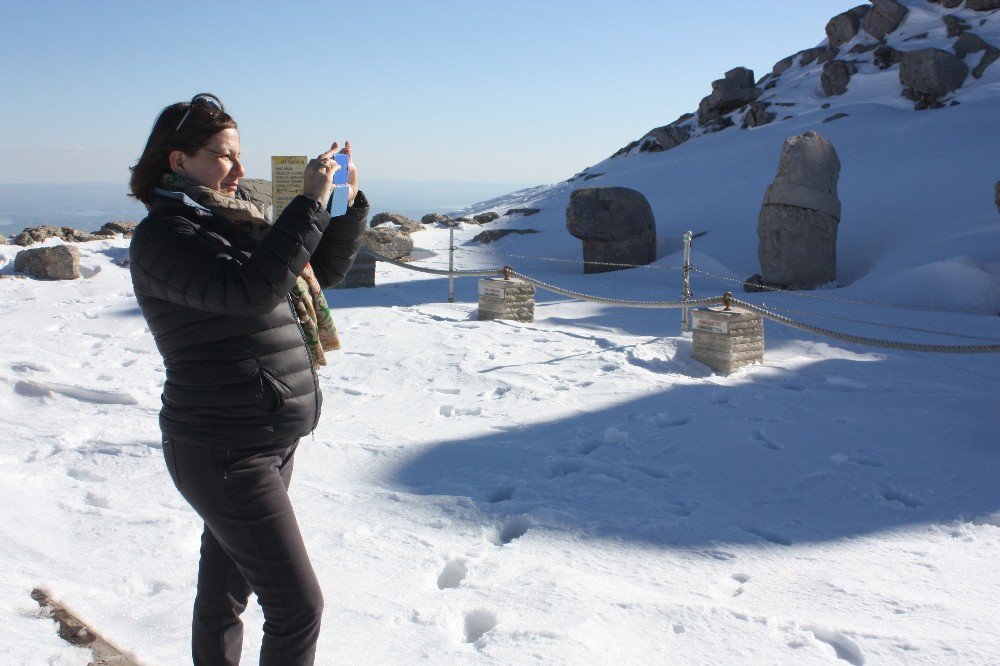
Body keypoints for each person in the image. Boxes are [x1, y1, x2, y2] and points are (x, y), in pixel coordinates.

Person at [128, 93, 369, 665]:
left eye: (239, 155)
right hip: (224, 450)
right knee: (298, 607)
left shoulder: (228, 220)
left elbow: (313, 272)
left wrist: (346, 202)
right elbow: (250, 290)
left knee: (223, 595)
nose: (238, 169)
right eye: (223, 155)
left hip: (264, 439)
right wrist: (306, 201)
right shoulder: (165, 237)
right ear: (177, 161)